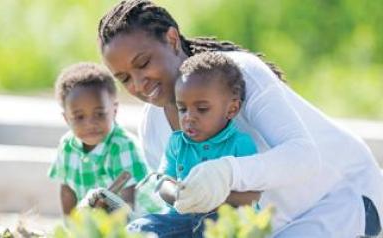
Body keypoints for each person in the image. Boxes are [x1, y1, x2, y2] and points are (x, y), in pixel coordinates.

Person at [97, 0, 383, 236]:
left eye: (144, 63)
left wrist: (227, 173)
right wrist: (120, 216)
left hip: (344, 200)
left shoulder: (238, 75)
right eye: (124, 78)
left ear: (172, 39)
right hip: (270, 226)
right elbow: (180, 204)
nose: (139, 84)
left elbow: (304, 156)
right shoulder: (153, 125)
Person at [128, 52, 259, 237]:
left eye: (202, 109)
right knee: (138, 228)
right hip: (182, 217)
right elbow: (164, 181)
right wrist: (178, 195)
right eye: (182, 109)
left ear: (232, 108)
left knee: (211, 227)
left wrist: (211, 198)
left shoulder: (240, 143)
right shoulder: (177, 142)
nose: (189, 117)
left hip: (224, 219)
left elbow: (252, 195)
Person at [48, 62, 149, 215]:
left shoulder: (122, 145)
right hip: (95, 219)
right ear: (66, 119)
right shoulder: (67, 146)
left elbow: (129, 200)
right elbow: (67, 191)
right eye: (79, 117)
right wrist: (73, 229)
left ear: (114, 110)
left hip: (137, 220)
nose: (90, 124)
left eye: (100, 114)